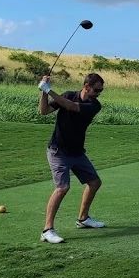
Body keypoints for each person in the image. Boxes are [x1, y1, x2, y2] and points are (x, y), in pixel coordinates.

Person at [38, 72, 106, 243]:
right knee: (62, 188)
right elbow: (44, 111)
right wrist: (44, 92)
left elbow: (71, 106)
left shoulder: (94, 105)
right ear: (86, 86)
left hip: (77, 153)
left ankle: (83, 219)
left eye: (101, 90)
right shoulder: (68, 94)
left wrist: (49, 89)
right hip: (58, 152)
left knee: (95, 182)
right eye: (97, 90)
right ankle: (47, 230)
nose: (99, 93)